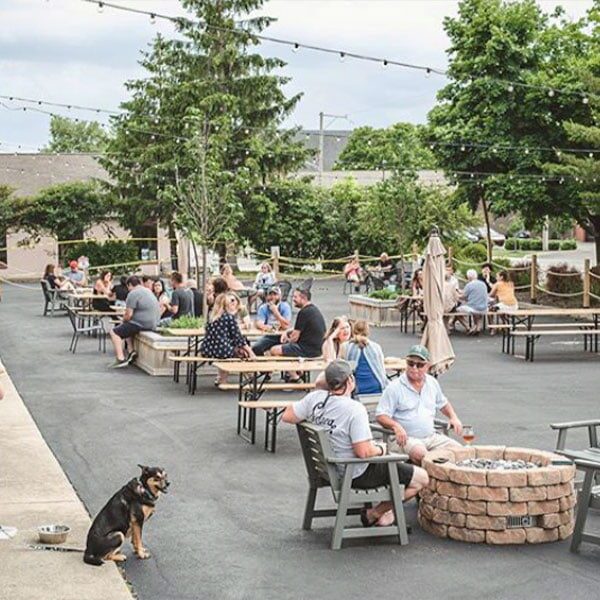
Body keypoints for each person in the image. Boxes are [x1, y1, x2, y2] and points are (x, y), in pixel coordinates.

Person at [282, 359, 428, 527]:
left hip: (327, 470)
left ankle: (383, 512)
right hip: (355, 472)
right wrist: (381, 449)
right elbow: (363, 452)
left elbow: (287, 415)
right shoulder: (354, 409)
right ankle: (376, 512)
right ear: (350, 381)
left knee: (398, 466)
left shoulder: (314, 399)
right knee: (422, 478)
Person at [376, 345, 463, 466]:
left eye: (419, 365)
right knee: (424, 456)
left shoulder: (432, 383)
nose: (414, 368)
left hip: (431, 436)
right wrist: (396, 426)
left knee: (461, 452)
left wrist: (453, 417)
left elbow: (443, 403)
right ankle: (427, 483)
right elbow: (381, 415)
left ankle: (440, 483)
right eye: (410, 363)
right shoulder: (394, 387)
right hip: (405, 439)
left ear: (427, 366)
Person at [200, 292, 256, 385]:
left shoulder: (212, 317)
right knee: (242, 353)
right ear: (226, 305)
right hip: (221, 350)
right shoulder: (229, 317)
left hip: (207, 349)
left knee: (229, 350)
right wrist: (251, 353)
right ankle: (250, 375)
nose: (233, 304)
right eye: (231, 302)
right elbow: (239, 339)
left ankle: (222, 379)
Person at [109, 276, 160, 369]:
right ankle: (131, 351)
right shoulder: (148, 291)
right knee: (127, 327)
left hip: (141, 323)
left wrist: (122, 320)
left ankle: (120, 358)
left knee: (114, 332)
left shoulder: (133, 294)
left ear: (129, 285)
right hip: (154, 322)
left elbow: (128, 315)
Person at [269, 288, 326, 359]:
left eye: (295, 297)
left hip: (307, 350)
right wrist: (287, 332)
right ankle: (293, 370)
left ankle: (291, 369)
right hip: (318, 349)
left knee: (274, 350)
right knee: (284, 348)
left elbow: (294, 338)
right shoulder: (313, 309)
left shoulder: (304, 312)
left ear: (303, 298)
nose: (293, 299)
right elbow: (299, 328)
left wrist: (286, 341)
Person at [342, 320, 388, 395]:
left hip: (356, 388)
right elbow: (382, 369)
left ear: (353, 331)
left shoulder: (346, 346)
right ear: (368, 332)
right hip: (376, 386)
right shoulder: (376, 347)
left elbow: (341, 369)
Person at [252, 287, 292, 356]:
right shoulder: (263, 307)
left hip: (283, 336)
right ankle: (264, 364)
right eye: (270, 295)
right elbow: (259, 323)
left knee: (286, 351)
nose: (272, 297)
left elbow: (286, 326)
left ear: (280, 296)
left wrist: (276, 313)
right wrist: (268, 328)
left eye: (275, 295)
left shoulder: (285, 307)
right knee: (256, 348)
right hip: (270, 336)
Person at [455, 269, 489, 334]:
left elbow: (463, 296)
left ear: (469, 277)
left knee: (457, 311)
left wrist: (456, 294)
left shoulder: (469, 285)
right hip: (484, 308)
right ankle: (478, 327)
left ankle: (468, 327)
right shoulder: (483, 284)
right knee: (478, 311)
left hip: (473, 308)